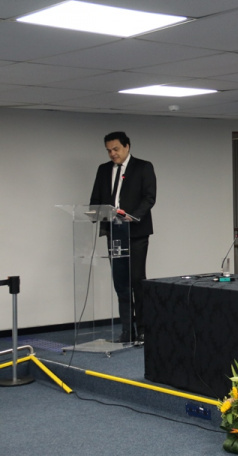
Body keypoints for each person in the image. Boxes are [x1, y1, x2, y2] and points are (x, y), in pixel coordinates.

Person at [90, 131, 156, 343]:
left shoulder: (143, 167)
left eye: (116, 149)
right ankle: (127, 331)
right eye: (109, 150)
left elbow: (149, 198)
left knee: (137, 280)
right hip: (114, 232)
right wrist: (94, 214)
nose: (112, 154)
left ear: (127, 146)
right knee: (120, 283)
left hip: (136, 232)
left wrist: (132, 216)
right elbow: (96, 198)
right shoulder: (103, 170)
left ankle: (143, 330)